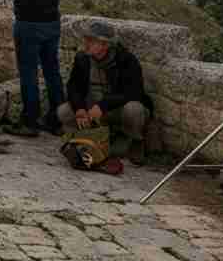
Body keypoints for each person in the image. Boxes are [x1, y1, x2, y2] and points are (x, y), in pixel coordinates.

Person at [59, 21, 153, 165]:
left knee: (134, 109)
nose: (86, 43)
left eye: (91, 40)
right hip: (91, 110)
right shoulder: (82, 58)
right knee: (64, 111)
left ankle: (135, 141)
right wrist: (79, 108)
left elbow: (134, 92)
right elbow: (73, 86)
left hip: (116, 109)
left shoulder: (126, 60)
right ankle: (86, 139)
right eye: (86, 39)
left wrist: (103, 106)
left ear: (105, 45)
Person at [3, 0, 65, 137]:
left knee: (28, 73)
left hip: (29, 22)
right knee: (52, 71)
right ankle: (57, 120)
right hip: (52, 21)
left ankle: (30, 121)